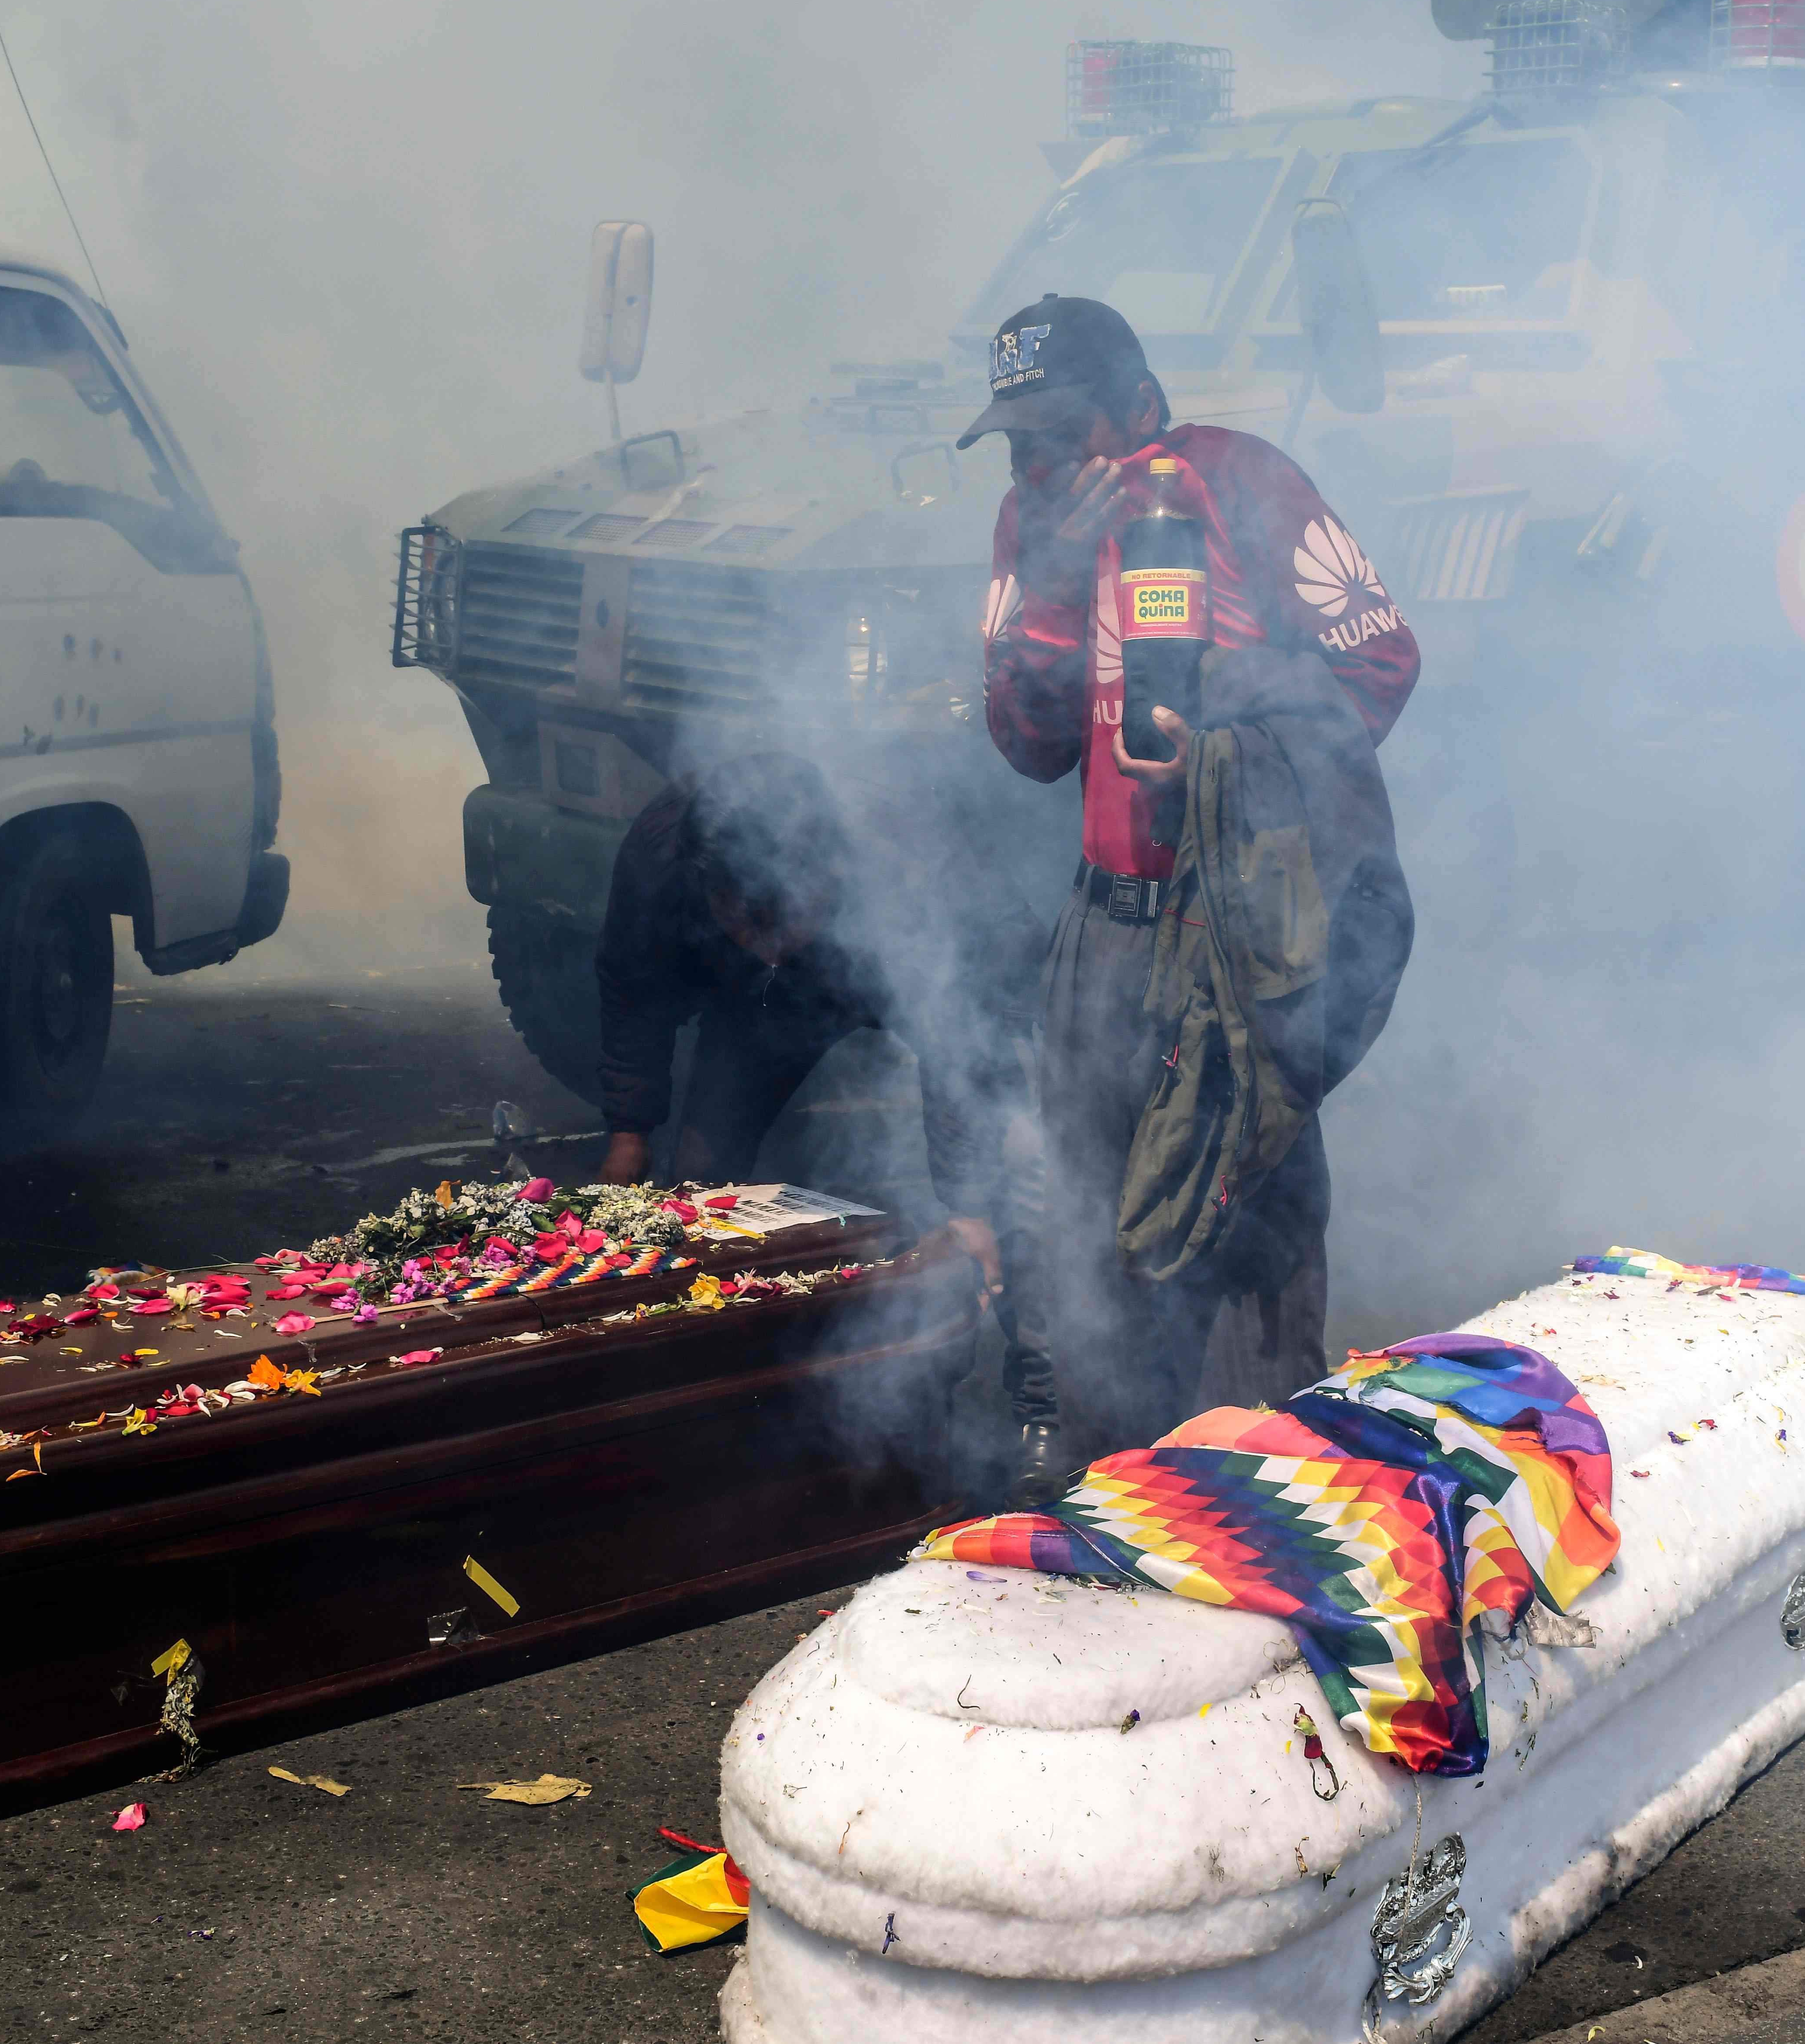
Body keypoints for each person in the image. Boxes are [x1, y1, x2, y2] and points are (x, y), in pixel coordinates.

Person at [961, 292, 1420, 1481]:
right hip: (1102, 936)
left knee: (1244, 1234)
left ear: (1141, 408)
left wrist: (1224, 727)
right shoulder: (1029, 525)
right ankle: (1110, 1502)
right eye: (1017, 445)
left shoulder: (1238, 481)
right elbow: (1025, 742)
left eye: (1062, 435)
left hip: (1233, 935)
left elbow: (1379, 663)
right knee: (1092, 1240)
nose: (1042, 466)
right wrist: (1054, 588)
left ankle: (1261, 1498)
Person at [593, 755, 1036, 1311]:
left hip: (915, 978)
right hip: (761, 1002)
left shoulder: (905, 858)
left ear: (831, 870)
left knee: (1012, 1175)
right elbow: (634, 988)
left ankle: (1013, 1308)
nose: (770, 946)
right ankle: (721, 1323)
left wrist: (968, 1205)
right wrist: (629, 1130)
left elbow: (960, 1033)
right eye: (745, 923)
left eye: (783, 921)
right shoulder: (665, 856)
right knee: (701, 1175)